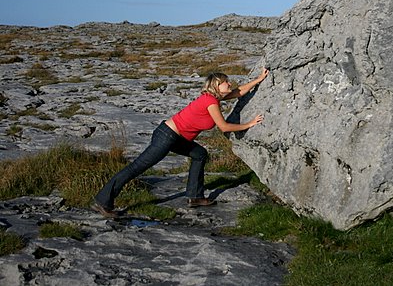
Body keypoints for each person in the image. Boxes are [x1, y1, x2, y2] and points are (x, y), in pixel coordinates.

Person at [92, 67, 269, 218]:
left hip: (176, 138)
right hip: (166, 136)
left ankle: (195, 197)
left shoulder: (214, 98)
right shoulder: (210, 101)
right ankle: (103, 200)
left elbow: (238, 92)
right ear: (217, 85)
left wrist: (259, 79)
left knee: (200, 154)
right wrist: (249, 124)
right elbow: (223, 127)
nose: (229, 84)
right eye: (226, 82)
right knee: (137, 167)